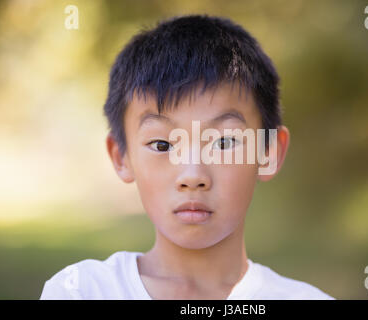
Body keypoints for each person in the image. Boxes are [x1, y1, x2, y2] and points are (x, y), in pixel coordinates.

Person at [40, 14, 335, 300]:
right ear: (121, 156)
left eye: (224, 142)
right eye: (162, 145)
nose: (193, 175)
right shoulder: (81, 291)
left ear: (269, 151)